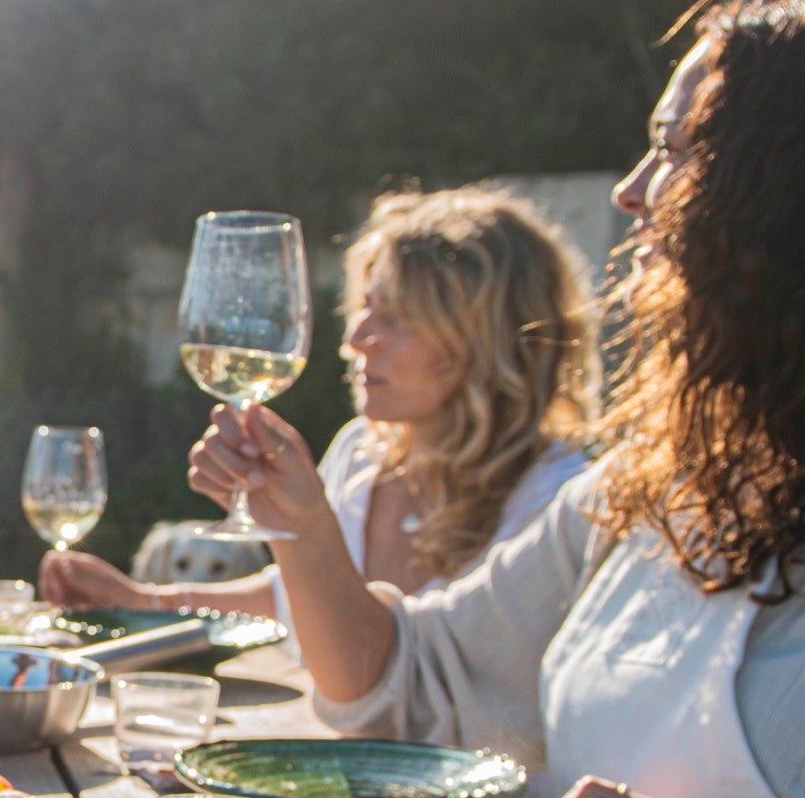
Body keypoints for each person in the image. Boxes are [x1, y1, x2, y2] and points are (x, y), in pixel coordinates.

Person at [189, 0, 805, 798]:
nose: (631, 190)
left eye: (674, 149)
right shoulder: (656, 490)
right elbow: (410, 685)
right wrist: (301, 524)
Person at [41, 186, 595, 618]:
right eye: (365, 307)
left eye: (397, 318)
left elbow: (422, 658)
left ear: (487, 341)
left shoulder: (558, 502)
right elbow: (301, 600)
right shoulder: (361, 457)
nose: (356, 339)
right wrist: (141, 600)